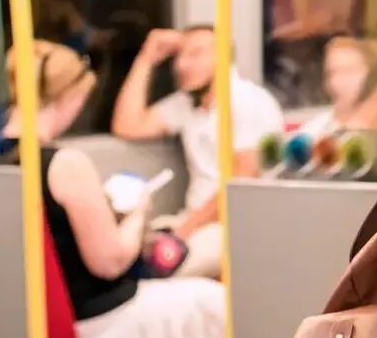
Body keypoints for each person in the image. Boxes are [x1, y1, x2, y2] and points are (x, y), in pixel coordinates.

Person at [3, 41, 228, 338]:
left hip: (47, 315)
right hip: (100, 315)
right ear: (67, 98)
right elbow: (110, 261)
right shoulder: (65, 163)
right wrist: (139, 210)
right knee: (214, 302)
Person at [110, 25, 284, 279]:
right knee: (122, 257)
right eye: (179, 56)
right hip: (194, 222)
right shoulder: (187, 103)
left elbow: (239, 186)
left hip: (236, 226)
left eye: (195, 54)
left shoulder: (247, 101)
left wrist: (180, 233)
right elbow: (127, 125)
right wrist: (146, 58)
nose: (181, 65)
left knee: (155, 271)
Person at [297, 35, 377, 139]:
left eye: (348, 71)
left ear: (372, 73)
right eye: (332, 73)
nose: (336, 82)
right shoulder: (312, 132)